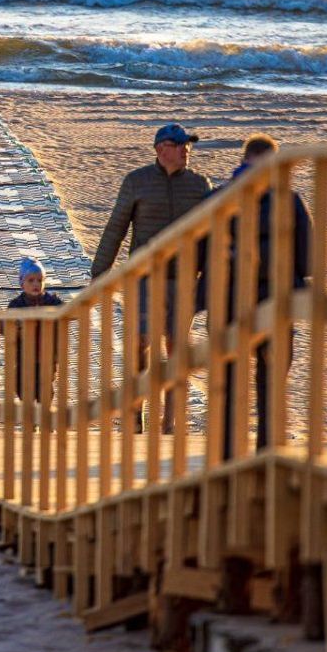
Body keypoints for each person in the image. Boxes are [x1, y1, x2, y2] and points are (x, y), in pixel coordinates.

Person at [91, 123, 214, 431]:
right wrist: (99, 274)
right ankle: (135, 415)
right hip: (143, 277)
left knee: (175, 347)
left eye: (188, 145)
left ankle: (170, 421)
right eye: (180, 145)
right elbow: (116, 227)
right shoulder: (137, 182)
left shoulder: (200, 185)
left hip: (185, 279)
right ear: (161, 150)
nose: (187, 150)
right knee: (140, 342)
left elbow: (211, 234)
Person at [199, 133, 310, 455]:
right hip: (276, 297)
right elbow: (306, 255)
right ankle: (267, 449)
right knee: (272, 377)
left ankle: (227, 451)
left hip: (227, 298)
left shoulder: (218, 198)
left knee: (229, 378)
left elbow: (198, 249)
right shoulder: (289, 200)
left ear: (243, 159)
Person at [7, 257, 63, 402]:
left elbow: (69, 311)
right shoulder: (17, 304)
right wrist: (16, 326)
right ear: (22, 284)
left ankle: (43, 416)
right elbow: (5, 324)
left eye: (39, 280)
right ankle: (30, 418)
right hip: (24, 356)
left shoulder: (51, 302)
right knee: (21, 386)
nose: (36, 284)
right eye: (30, 280)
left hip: (47, 355)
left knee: (44, 388)